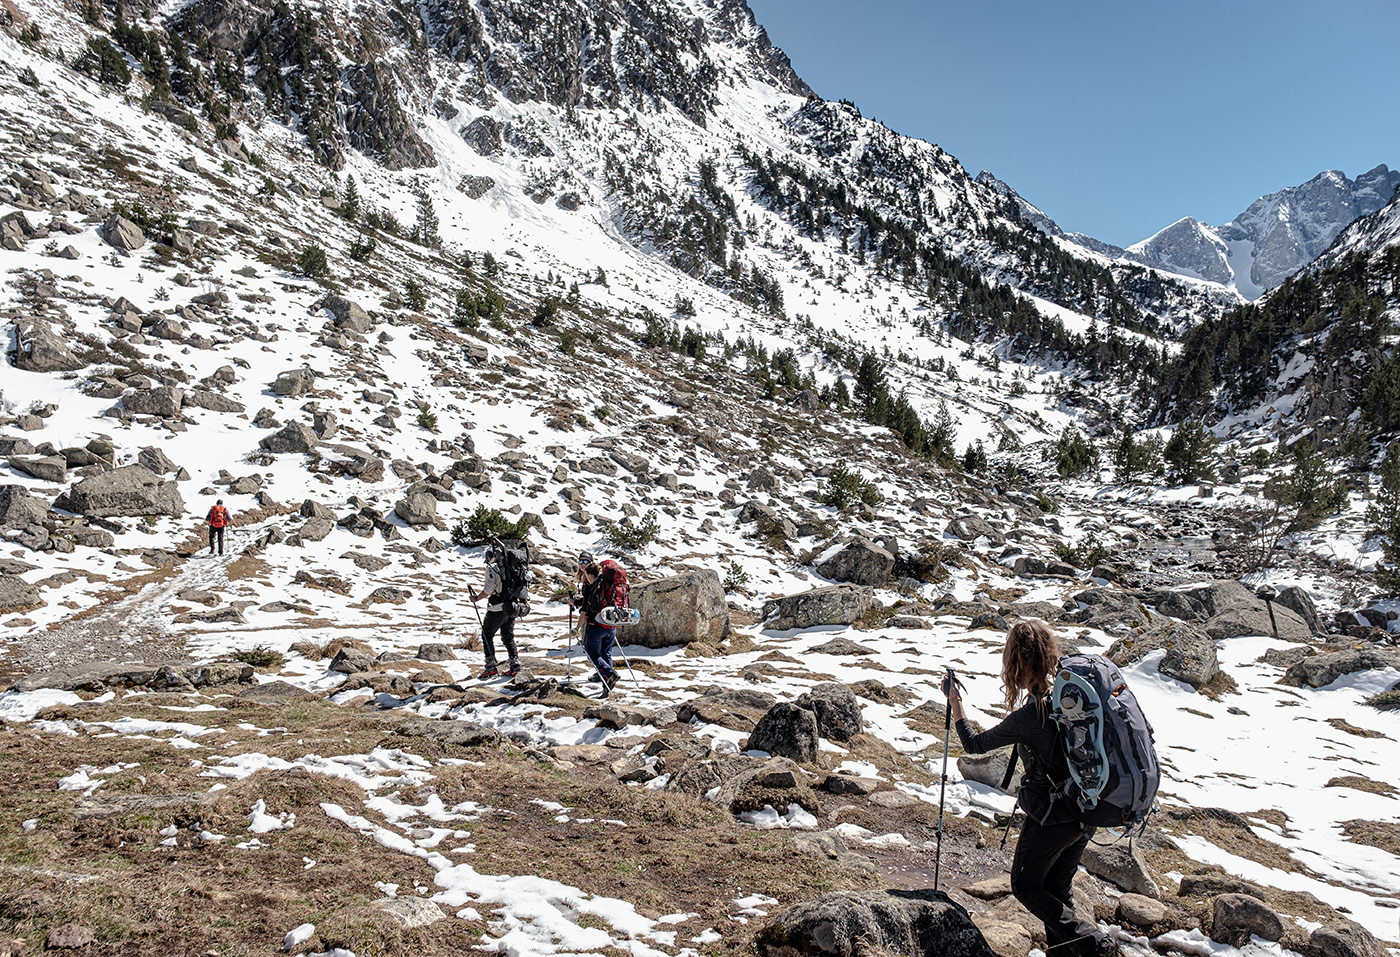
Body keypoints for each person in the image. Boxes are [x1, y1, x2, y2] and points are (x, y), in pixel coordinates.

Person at [947, 620, 1117, 957]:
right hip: (1085, 810)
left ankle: (1095, 943)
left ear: (1016, 664)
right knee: (1056, 891)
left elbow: (974, 744)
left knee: (1025, 885)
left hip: (1051, 816)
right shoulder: (1068, 700)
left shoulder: (1033, 714)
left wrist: (955, 702)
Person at [470, 548, 520, 679]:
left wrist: (476, 598)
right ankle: (515, 665)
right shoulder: (510, 567)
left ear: (489, 558)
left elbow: (489, 589)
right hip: (512, 606)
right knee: (508, 636)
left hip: (496, 608)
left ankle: (490, 667)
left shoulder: (492, 568)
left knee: (487, 634)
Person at [577, 561, 618, 694]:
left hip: (595, 627)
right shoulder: (607, 584)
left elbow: (584, 611)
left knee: (593, 653)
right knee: (606, 654)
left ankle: (610, 673)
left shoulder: (592, 587)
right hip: (611, 625)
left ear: (589, 575)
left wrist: (576, 629)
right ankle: (607, 685)